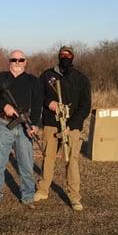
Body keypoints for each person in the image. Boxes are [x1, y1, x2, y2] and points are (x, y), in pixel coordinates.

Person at [35, 45, 91, 211]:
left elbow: (85, 105)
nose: (65, 57)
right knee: (48, 157)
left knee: (71, 160)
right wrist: (48, 103)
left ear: (73, 56)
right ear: (58, 56)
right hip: (51, 124)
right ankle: (43, 190)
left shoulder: (81, 79)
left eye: (68, 54)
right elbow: (38, 95)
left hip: (72, 126)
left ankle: (74, 196)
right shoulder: (47, 76)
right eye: (62, 54)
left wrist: (72, 125)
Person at [0, 50, 42, 209]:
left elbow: (38, 103)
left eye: (21, 59)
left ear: (25, 62)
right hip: (3, 124)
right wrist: (5, 106)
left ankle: (28, 196)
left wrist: (35, 124)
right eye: (14, 59)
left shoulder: (33, 80)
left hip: (25, 124)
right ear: (9, 61)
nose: (17, 62)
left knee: (26, 163)